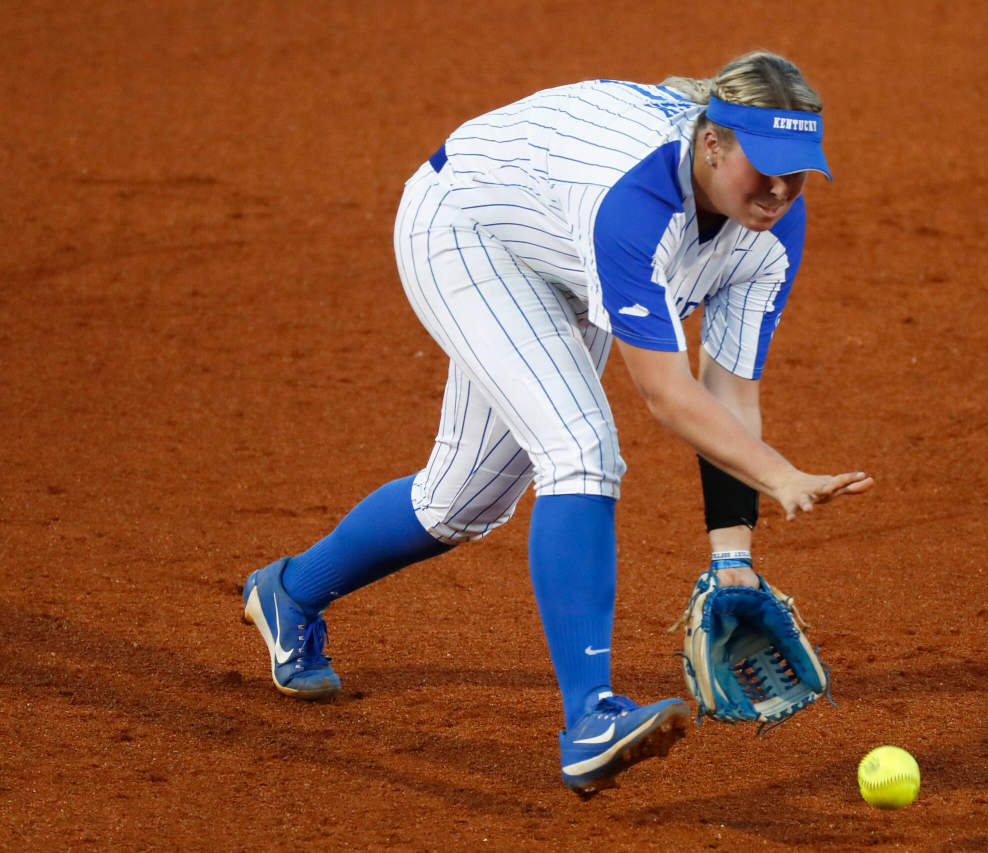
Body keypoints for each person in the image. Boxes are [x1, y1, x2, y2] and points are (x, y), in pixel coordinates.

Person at [241, 50, 874, 797]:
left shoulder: (773, 228)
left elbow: (726, 389)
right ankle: (591, 717)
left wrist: (731, 555)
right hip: (468, 226)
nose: (779, 190)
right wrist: (780, 475)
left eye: (797, 172)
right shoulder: (637, 198)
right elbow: (667, 393)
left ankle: (290, 592)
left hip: (564, 258)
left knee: (459, 501)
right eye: (764, 167)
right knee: (580, 448)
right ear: (713, 143)